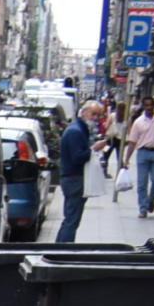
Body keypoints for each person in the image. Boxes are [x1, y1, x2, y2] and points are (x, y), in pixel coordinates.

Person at [54, 100, 98, 243]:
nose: (95, 118)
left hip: (73, 178)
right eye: (93, 114)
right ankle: (62, 249)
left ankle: (61, 248)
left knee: (71, 219)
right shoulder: (76, 131)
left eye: (98, 115)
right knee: (71, 220)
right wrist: (93, 149)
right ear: (83, 112)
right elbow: (77, 157)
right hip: (73, 179)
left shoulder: (78, 129)